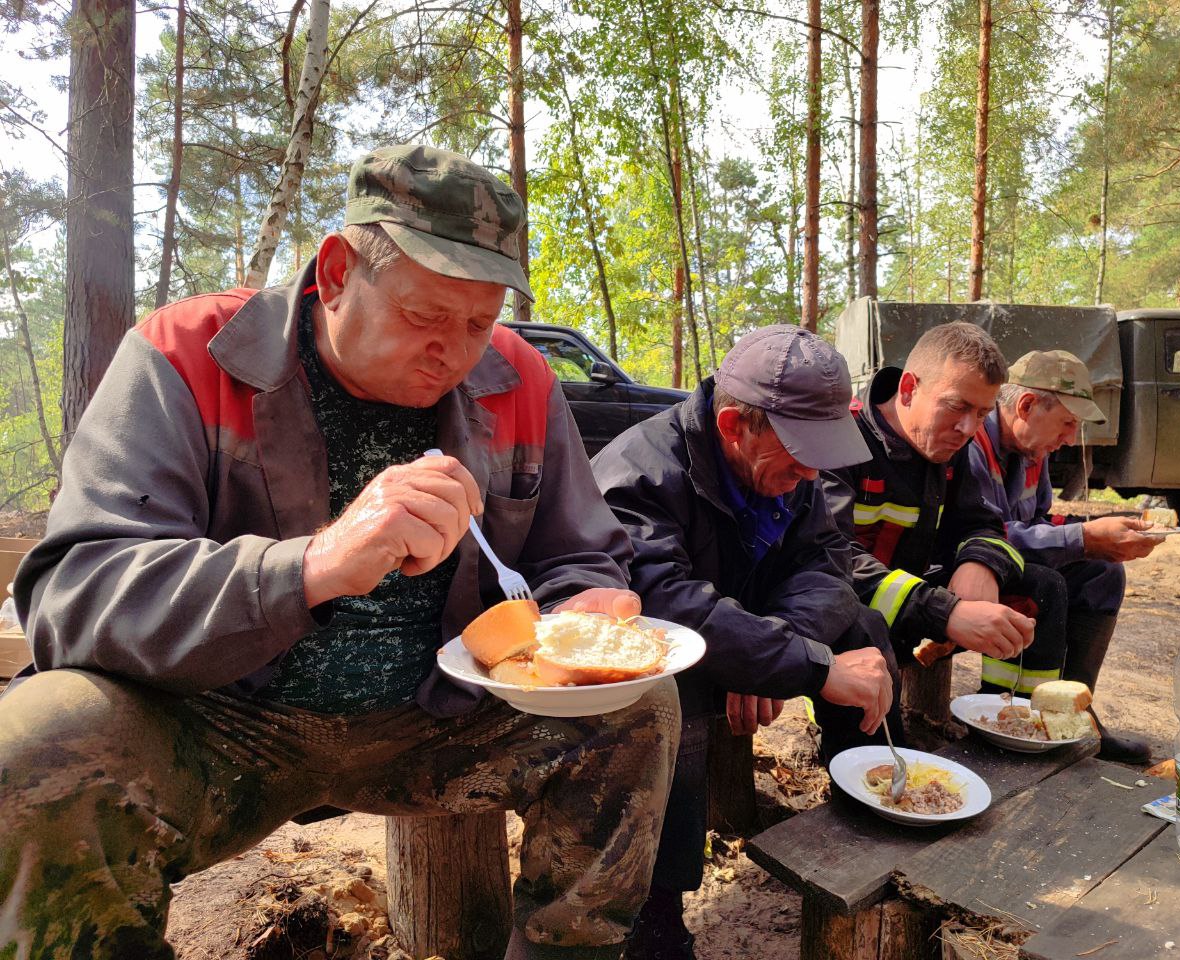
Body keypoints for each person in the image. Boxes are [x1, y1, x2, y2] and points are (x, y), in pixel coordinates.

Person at [0, 145, 679, 960]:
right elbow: (75, 594)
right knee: (38, 740)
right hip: (217, 723)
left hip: (434, 724)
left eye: (478, 321)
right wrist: (308, 566)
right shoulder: (186, 355)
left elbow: (581, 554)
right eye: (426, 315)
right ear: (335, 272)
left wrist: (580, 613)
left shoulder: (520, 380)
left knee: (638, 704)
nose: (456, 350)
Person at [592, 326, 897, 960]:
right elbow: (664, 609)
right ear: (735, 424)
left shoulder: (793, 465)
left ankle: (872, 811)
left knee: (863, 630)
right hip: (650, 638)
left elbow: (828, 562)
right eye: (798, 452)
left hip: (746, 620)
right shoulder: (637, 473)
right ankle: (657, 912)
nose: (812, 471)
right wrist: (805, 667)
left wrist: (775, 654)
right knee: (665, 688)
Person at [823, 322, 1066, 738]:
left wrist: (980, 565)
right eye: (956, 407)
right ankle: (878, 773)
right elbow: (831, 561)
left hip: (917, 599)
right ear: (907, 390)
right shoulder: (839, 441)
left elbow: (987, 523)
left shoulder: (952, 446)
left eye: (983, 414)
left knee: (1043, 587)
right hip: (846, 606)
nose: (970, 429)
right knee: (862, 625)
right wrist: (948, 611)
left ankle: (1014, 728)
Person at [968, 349, 1155, 762]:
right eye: (1068, 423)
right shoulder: (973, 443)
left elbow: (1037, 519)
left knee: (1102, 574)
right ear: (1027, 405)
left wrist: (1103, 532)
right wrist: (1083, 537)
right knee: (1044, 583)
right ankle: (1011, 715)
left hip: (1007, 560)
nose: (1070, 437)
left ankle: (1074, 713)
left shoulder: (1035, 451)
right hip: (965, 567)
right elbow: (986, 537)